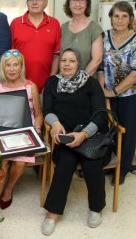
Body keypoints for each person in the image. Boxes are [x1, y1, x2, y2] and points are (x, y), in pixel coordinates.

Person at [41, 48, 108, 236]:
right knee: (66, 163)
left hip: (90, 138)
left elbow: (101, 115)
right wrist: (54, 124)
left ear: (78, 63)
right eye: (64, 60)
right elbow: (47, 110)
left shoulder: (91, 84)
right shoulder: (52, 82)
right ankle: (53, 213)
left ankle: (96, 208)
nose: (67, 64)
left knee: (92, 164)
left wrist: (84, 134)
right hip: (66, 138)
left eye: (71, 60)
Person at [0, 49, 43, 221]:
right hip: (1, 134)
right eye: (8, 65)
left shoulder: (30, 87)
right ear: (3, 67)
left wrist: (36, 131)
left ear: (21, 67)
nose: (12, 69)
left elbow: (38, 114)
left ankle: (8, 189)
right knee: (2, 163)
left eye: (16, 64)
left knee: (21, 162)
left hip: (23, 134)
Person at [98, 1, 136, 184]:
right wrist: (102, 90)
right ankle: (108, 163)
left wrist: (114, 91)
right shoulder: (103, 37)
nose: (120, 20)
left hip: (130, 96)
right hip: (106, 93)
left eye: (124, 16)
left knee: (127, 133)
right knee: (108, 129)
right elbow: (99, 66)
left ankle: (122, 170)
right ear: (111, 18)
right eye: (116, 16)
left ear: (130, 19)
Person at [10, 0, 61, 93]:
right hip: (19, 84)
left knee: (43, 110)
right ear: (27, 3)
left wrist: (51, 81)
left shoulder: (54, 24)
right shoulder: (16, 23)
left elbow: (56, 55)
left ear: (46, 2)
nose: (34, 2)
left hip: (45, 87)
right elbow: (10, 56)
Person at [61, 0, 103, 75]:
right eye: (73, 0)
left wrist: (79, 81)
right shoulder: (62, 28)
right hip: (63, 83)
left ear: (87, 4)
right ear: (68, 4)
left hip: (85, 83)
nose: (77, 4)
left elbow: (97, 60)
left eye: (81, 0)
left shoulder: (94, 29)